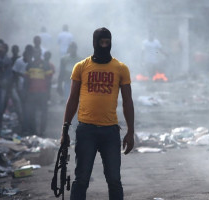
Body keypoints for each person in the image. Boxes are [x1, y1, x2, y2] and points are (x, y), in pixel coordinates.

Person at [60, 27, 134, 200]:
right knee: (81, 180)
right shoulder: (81, 67)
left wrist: (131, 131)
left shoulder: (121, 68)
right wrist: (65, 129)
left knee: (114, 180)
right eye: (101, 42)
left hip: (110, 132)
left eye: (107, 42)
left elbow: (128, 102)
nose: (104, 45)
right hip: (86, 130)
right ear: (94, 43)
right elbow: (72, 100)